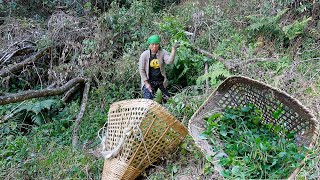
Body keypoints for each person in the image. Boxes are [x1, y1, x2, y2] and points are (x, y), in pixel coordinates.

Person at [139, 35, 179, 100]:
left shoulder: (162, 52)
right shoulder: (144, 55)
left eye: (156, 44)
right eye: (152, 44)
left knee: (167, 100)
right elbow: (141, 70)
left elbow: (169, 62)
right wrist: (146, 84)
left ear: (159, 44)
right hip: (148, 82)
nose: (154, 46)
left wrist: (173, 50)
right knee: (149, 102)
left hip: (160, 82)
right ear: (149, 45)